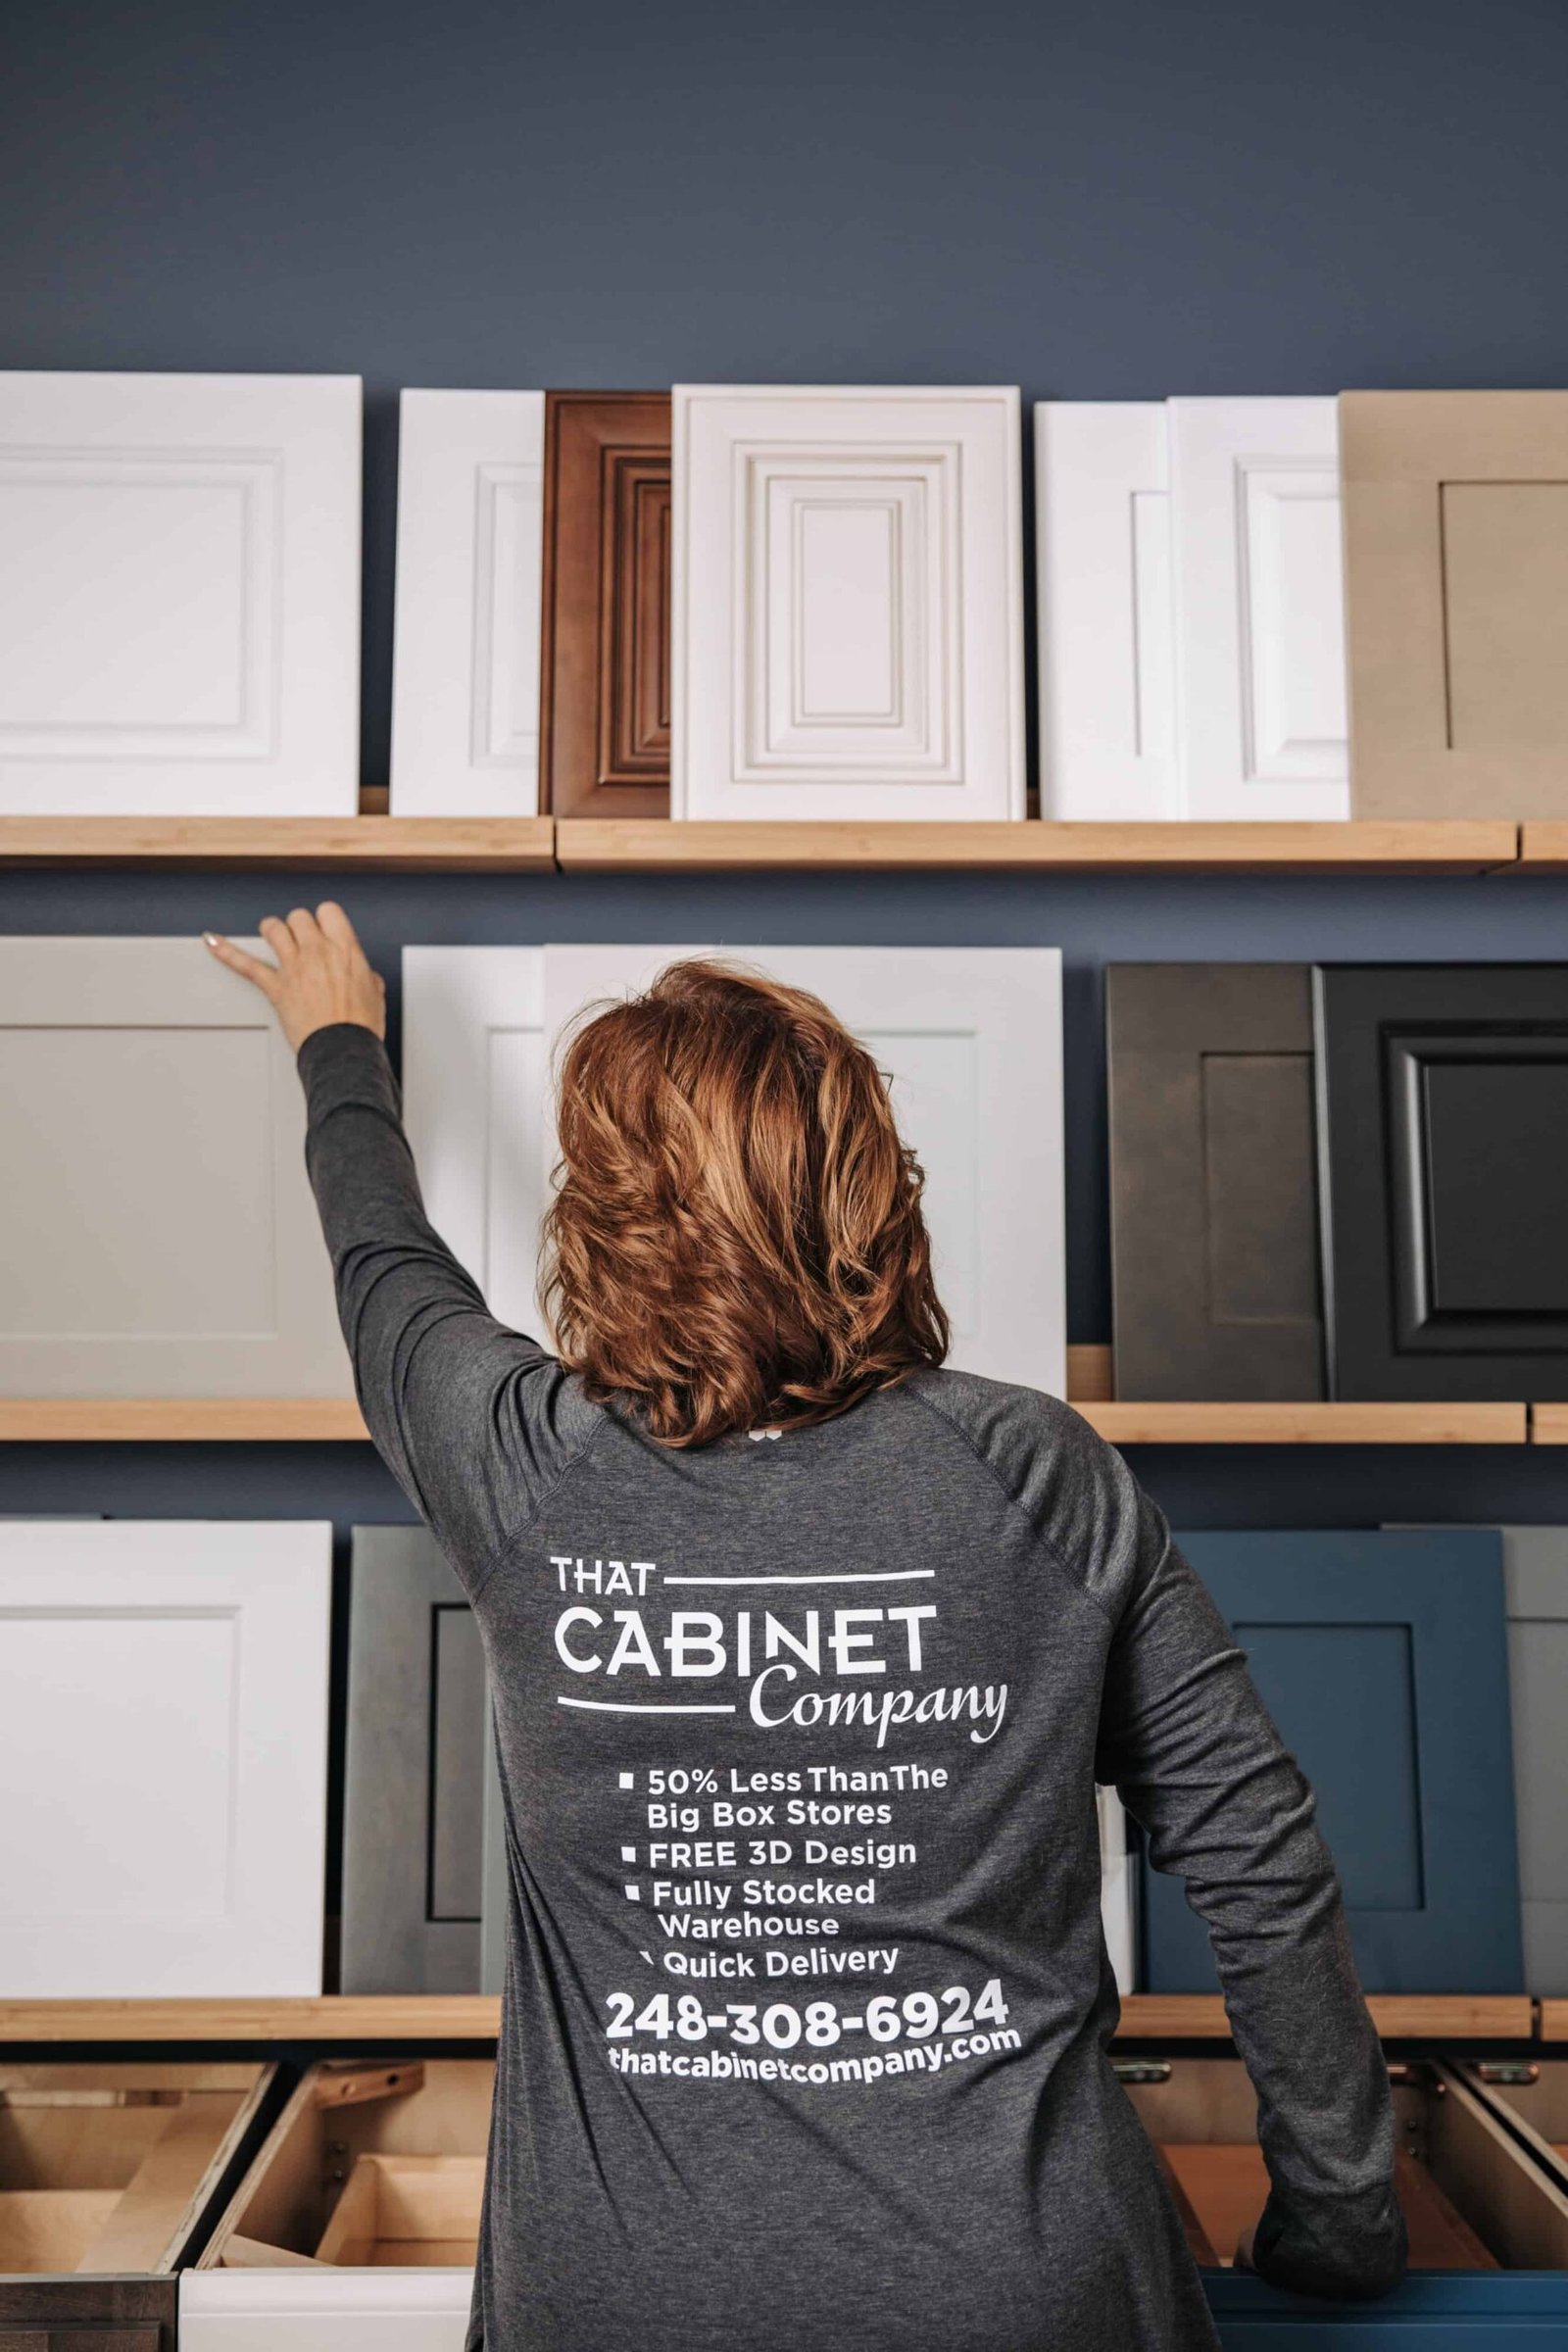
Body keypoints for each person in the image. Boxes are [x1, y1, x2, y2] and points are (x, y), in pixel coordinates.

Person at [205, 902, 1406, 2352]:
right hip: (1025, 2294)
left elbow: (385, 1266)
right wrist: (1340, 2220)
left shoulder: (521, 1463)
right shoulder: (1036, 1472)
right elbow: (1256, 1850)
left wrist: (337, 1040)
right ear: (872, 1189)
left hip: (625, 2307)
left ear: (604, 1222)